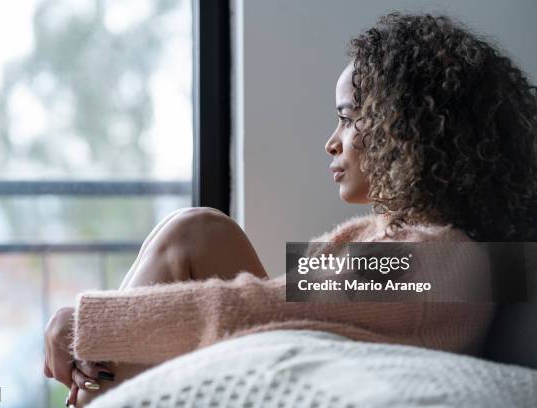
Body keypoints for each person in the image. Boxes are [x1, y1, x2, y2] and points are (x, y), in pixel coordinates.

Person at [44, 12, 537, 407]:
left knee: (196, 233)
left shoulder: (437, 262)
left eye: (347, 120)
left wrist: (89, 323)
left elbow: (254, 306)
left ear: (406, 128)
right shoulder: (388, 236)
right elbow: (281, 296)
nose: (331, 143)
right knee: (199, 233)